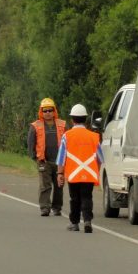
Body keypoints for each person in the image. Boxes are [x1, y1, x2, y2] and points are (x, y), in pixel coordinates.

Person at [56, 104, 103, 233]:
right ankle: (87, 221)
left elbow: (61, 157)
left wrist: (60, 173)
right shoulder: (93, 136)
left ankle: (74, 223)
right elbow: (100, 158)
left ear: (72, 119)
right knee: (87, 197)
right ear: (86, 119)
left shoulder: (67, 136)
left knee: (74, 199)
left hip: (73, 175)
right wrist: (96, 172)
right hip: (89, 175)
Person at [27, 98, 66, 216]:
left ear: (54, 111)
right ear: (41, 112)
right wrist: (35, 157)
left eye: (50, 110)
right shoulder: (35, 126)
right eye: (45, 110)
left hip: (59, 162)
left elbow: (67, 142)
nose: (48, 113)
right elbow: (31, 142)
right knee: (45, 186)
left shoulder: (62, 124)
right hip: (44, 161)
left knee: (59, 186)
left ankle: (57, 208)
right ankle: (45, 208)